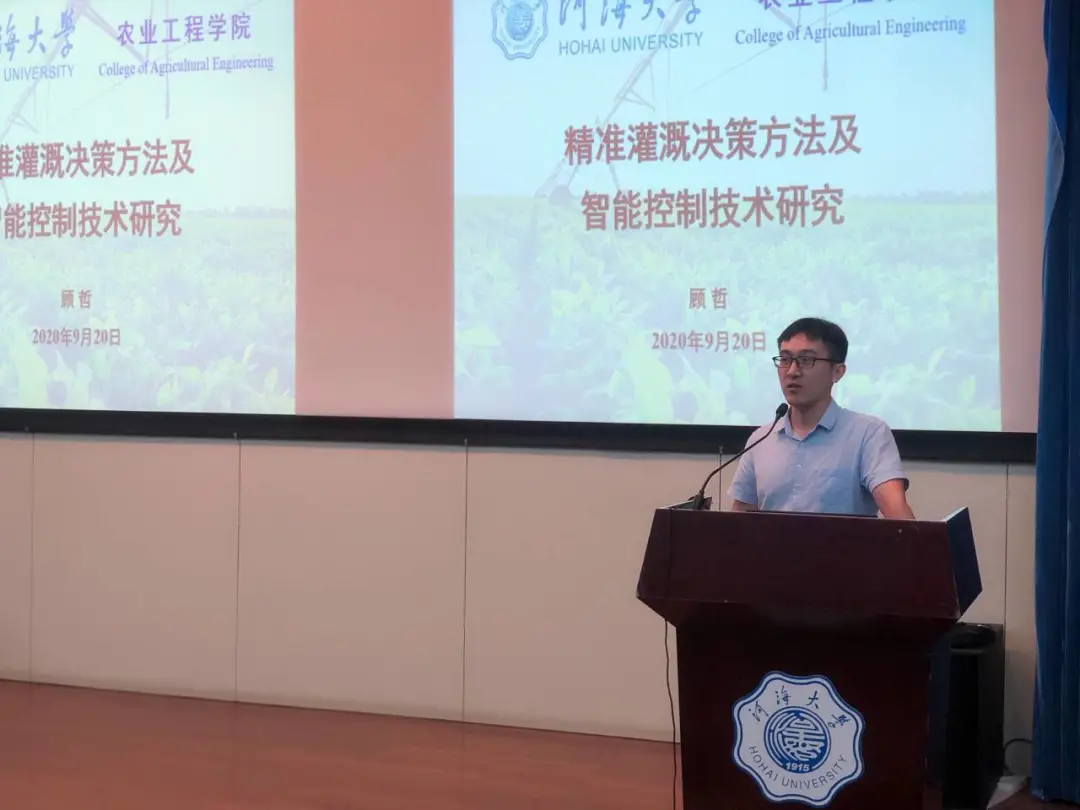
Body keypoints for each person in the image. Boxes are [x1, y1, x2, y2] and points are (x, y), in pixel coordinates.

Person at [728, 317, 915, 519]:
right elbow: (739, 523)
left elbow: (898, 516)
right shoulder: (761, 439)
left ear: (837, 372)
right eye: (785, 359)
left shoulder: (868, 434)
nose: (792, 372)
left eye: (806, 360)